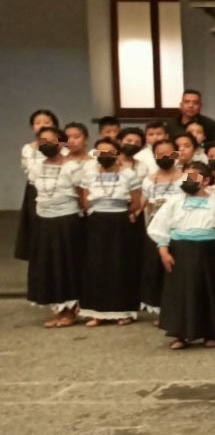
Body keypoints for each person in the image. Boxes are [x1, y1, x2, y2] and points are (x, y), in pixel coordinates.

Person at [147, 162, 215, 349]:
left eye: (193, 177)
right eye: (185, 176)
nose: (187, 180)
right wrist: (163, 250)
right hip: (180, 250)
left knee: (207, 290)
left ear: (205, 180)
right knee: (180, 292)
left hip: (207, 251)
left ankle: (209, 333)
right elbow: (160, 226)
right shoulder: (174, 202)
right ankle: (180, 334)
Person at [27, 125, 90, 328]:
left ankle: (71, 310)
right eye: (42, 141)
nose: (46, 144)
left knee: (67, 265)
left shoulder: (72, 167)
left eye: (51, 140)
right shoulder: (36, 167)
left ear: (61, 143)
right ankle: (59, 309)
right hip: (44, 222)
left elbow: (82, 196)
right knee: (49, 266)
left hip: (67, 221)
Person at [77, 137, 144, 327]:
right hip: (96, 222)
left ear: (117, 154)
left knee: (120, 265)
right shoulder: (89, 174)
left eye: (109, 152)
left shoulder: (129, 174)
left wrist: (118, 211)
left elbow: (136, 202)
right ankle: (96, 312)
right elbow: (83, 201)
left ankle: (123, 312)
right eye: (101, 152)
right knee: (96, 265)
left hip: (120, 222)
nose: (105, 155)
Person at [139, 139, 182, 318]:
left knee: (176, 271)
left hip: (179, 230)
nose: (165, 157)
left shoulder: (186, 177)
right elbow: (147, 206)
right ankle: (161, 310)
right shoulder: (148, 180)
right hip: (156, 229)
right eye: (160, 154)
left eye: (169, 153)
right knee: (156, 271)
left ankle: (177, 310)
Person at [16, 109, 60, 262]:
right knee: (37, 229)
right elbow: (27, 169)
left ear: (54, 125)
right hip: (35, 191)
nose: (42, 125)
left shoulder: (63, 147)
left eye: (47, 122)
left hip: (57, 191)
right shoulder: (27, 149)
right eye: (38, 123)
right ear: (32, 127)